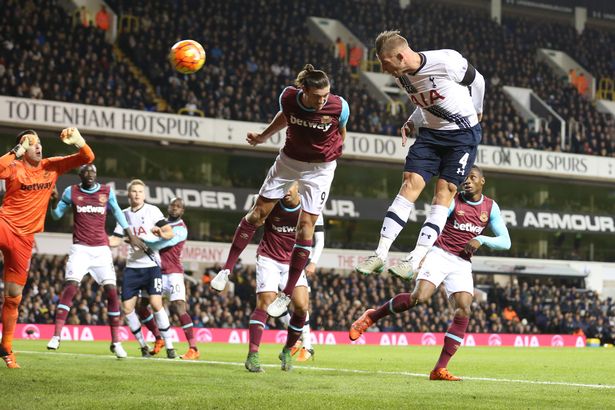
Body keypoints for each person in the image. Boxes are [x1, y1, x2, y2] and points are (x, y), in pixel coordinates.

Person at [211, 64, 349, 319]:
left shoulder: (339, 105)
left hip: (321, 169)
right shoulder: (288, 97)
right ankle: (226, 269)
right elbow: (284, 116)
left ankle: (286, 293)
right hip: (289, 161)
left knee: (306, 226)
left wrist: (336, 151)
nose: (323, 101)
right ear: (303, 90)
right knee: (257, 214)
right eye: (318, 96)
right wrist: (263, 136)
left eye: (326, 95)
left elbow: (341, 130)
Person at [349, 166, 510, 381]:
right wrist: (423, 251)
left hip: (462, 262)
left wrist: (481, 239)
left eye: (473, 178)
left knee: (464, 309)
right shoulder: (454, 200)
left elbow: (505, 241)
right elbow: (435, 223)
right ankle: (372, 316)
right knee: (420, 298)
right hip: (440, 252)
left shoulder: (491, 207)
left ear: (483, 181)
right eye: (465, 178)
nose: (467, 181)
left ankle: (439, 369)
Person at [355, 30, 485, 278]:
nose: (384, 69)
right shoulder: (401, 77)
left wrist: (478, 112)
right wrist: (413, 120)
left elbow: (478, 82)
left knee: (444, 192)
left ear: (401, 56)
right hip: (430, 135)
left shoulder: (446, 61)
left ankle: (414, 259)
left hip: (462, 136)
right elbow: (425, 103)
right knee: (409, 184)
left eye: (385, 63)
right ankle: (380, 254)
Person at [0, 127, 95, 368]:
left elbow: (87, 158)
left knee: (13, 297)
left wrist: (79, 142)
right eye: (31, 143)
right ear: (23, 149)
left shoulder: (51, 166)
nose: (38, 145)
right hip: (4, 224)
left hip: (25, 239)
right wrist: (16, 150)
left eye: (39, 141)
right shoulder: (14, 167)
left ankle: (6, 348)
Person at [46, 164, 146, 358]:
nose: (91, 175)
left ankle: (116, 342)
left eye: (93, 172)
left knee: (112, 293)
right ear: (80, 175)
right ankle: (56, 336)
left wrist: (131, 235)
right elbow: (56, 215)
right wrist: (54, 203)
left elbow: (117, 212)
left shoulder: (106, 192)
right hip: (80, 249)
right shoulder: (71, 191)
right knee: (71, 288)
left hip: (101, 250)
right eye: (86, 172)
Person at [238, 182, 323, 372]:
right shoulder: (272, 202)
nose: (285, 191)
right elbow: (254, 213)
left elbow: (317, 236)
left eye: (289, 187)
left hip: (293, 262)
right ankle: (253, 355)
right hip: (269, 257)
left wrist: (312, 261)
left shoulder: (310, 206)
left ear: (299, 186)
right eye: (283, 187)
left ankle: (287, 350)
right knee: (266, 302)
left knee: (302, 307)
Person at [109, 179, 176, 358]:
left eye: (140, 191)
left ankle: (170, 346)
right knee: (128, 308)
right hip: (132, 267)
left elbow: (170, 232)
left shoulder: (152, 210)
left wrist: (161, 233)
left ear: (144, 194)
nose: (137, 194)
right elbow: (116, 238)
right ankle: (143, 345)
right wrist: (101, 241)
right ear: (129, 194)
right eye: (134, 191)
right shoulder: (122, 215)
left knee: (155, 304)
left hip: (151, 265)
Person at [139, 197, 200, 360]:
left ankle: (193, 348)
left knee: (180, 307)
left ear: (182, 211)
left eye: (178, 206)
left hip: (173, 273)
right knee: (142, 306)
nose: (174, 208)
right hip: (154, 272)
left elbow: (160, 245)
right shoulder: (161, 223)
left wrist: (142, 240)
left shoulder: (181, 228)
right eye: (172, 205)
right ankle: (158, 338)